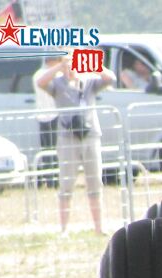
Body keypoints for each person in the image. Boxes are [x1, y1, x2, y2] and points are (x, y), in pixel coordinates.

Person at [36, 55, 115, 235]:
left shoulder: (89, 83)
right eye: (68, 65)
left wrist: (91, 64)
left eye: (73, 64)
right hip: (67, 138)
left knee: (95, 182)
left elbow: (110, 78)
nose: (71, 68)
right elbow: (40, 82)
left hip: (90, 136)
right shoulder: (57, 84)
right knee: (66, 183)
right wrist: (59, 67)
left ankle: (99, 228)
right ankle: (64, 229)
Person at [31, 56, 60, 188]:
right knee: (47, 149)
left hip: (55, 115)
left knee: (56, 149)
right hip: (44, 116)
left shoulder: (56, 74)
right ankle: (50, 179)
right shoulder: (40, 74)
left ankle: (55, 178)